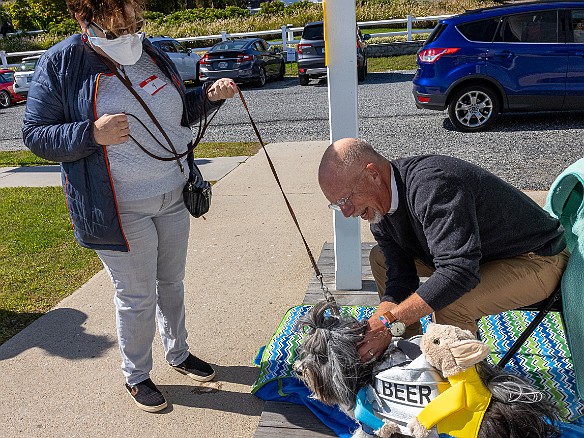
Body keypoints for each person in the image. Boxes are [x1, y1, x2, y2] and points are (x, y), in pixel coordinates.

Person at [22, 0, 238, 413]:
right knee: (136, 296)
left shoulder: (150, 52)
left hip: (173, 196)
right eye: (115, 29)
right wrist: (91, 132)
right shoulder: (61, 63)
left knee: (171, 284)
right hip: (119, 207)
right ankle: (137, 375)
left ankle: (178, 353)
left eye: (135, 25)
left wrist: (208, 97)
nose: (129, 37)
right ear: (83, 20)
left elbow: (175, 114)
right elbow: (35, 134)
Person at [318, 138, 568, 364]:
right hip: (480, 257)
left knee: (451, 303)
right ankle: (409, 355)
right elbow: (400, 279)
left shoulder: (433, 186)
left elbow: (458, 272)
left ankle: (461, 390)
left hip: (536, 258)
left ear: (372, 174)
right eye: (337, 205)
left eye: (346, 200)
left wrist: (388, 322)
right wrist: (380, 323)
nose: (347, 212)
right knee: (380, 258)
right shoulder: (378, 212)